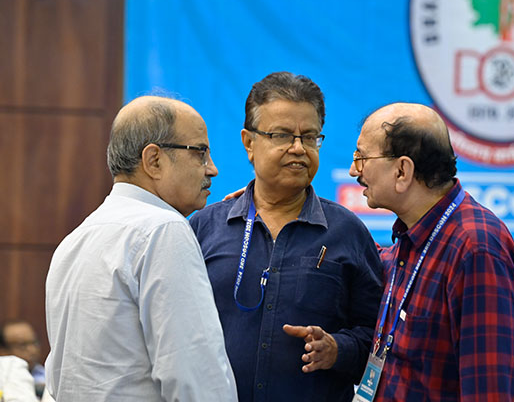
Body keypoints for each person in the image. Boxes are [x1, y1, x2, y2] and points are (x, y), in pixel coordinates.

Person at [189, 72, 384, 402]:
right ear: (249, 143)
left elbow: (380, 341)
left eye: (309, 137)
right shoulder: (206, 228)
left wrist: (338, 349)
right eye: (282, 135)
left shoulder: (348, 232)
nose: (298, 148)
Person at [45, 96, 238, 402]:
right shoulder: (164, 230)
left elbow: (59, 376)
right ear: (154, 160)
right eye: (200, 153)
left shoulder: (75, 240)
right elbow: (195, 378)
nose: (212, 169)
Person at [348, 103, 514, 401]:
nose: (354, 170)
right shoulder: (410, 241)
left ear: (402, 171)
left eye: (362, 157)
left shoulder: (476, 249)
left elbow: (490, 392)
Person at [0, 320, 45, 398]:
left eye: (34, 343)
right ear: (3, 351)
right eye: (23, 345)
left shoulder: (48, 377)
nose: (33, 350)